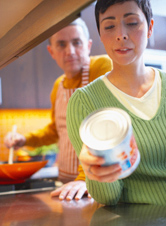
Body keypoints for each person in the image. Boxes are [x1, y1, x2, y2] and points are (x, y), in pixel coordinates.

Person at [67, 0, 166, 206]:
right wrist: (94, 170)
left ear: (149, 28)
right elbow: (108, 197)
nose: (121, 34)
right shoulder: (85, 102)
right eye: (109, 26)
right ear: (101, 35)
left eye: (131, 22)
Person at [4, 18, 113, 200]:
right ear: (51, 51)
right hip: (66, 181)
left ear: (88, 45)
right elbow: (56, 130)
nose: (69, 51)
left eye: (76, 43)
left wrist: (85, 176)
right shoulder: (58, 86)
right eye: (61, 44)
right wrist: (24, 140)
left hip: (94, 182)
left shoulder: (103, 67)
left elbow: (106, 127)